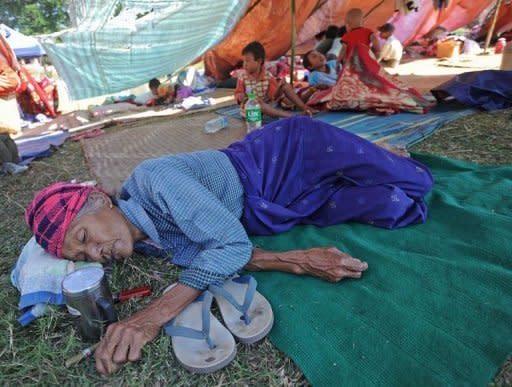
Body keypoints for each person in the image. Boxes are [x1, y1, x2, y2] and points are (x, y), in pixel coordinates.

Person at [25, 116, 433, 375]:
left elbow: (230, 248)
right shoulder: (149, 243)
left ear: (99, 198)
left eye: (84, 237)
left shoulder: (154, 179)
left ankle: (374, 152)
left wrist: (149, 319)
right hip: (273, 206)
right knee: (394, 206)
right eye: (82, 257)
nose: (96, 253)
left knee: (419, 184)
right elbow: (222, 254)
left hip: (287, 154)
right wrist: (296, 260)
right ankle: (364, 163)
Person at [234, 41, 315, 118]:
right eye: (243, 61)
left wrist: (279, 88)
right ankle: (290, 115)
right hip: (251, 110)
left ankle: (304, 107)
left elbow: (272, 97)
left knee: (285, 86)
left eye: (247, 61)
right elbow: (238, 93)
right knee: (259, 104)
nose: (244, 64)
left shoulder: (268, 76)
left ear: (258, 61)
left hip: (268, 107)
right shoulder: (242, 77)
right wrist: (240, 96)